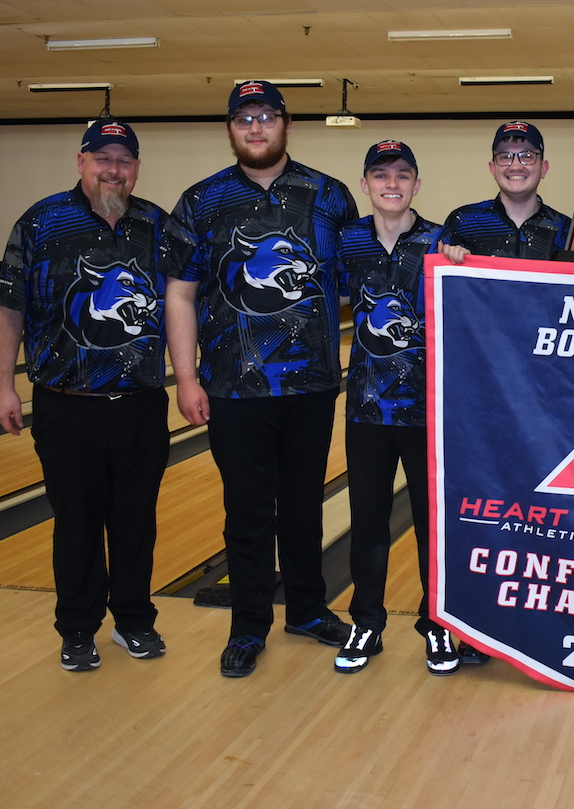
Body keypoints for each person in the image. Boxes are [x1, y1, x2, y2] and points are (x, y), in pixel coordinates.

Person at [165, 80, 356, 677]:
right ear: (230, 128)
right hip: (232, 387)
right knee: (247, 510)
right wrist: (186, 379)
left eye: (266, 117)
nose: (255, 128)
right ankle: (248, 625)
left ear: (285, 124)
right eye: (243, 118)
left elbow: (360, 279)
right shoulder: (201, 202)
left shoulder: (330, 196)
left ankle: (305, 608)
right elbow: (180, 293)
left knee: (303, 505)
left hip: (312, 384)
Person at [0, 119, 184, 671]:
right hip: (65, 403)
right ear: (81, 162)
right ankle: (77, 628)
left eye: (125, 160)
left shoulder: (157, 224)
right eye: (103, 158)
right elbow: (9, 309)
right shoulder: (40, 222)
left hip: (141, 403)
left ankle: (133, 621)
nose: (114, 170)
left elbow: (182, 304)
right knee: (76, 521)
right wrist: (4, 386)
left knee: (135, 519)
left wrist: (190, 377)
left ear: (136, 168)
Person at [330, 141, 461, 676]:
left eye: (402, 174)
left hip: (428, 412)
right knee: (368, 521)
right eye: (380, 174)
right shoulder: (347, 242)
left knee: (434, 523)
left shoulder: (442, 241)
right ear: (365, 184)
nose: (392, 183)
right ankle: (367, 621)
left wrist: (461, 265)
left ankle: (439, 626)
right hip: (365, 407)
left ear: (416, 184)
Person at [439, 121, 571, 263]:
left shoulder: (566, 230)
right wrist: (453, 259)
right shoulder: (462, 221)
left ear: (543, 168)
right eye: (505, 157)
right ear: (492, 169)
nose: (515, 166)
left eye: (527, 156)